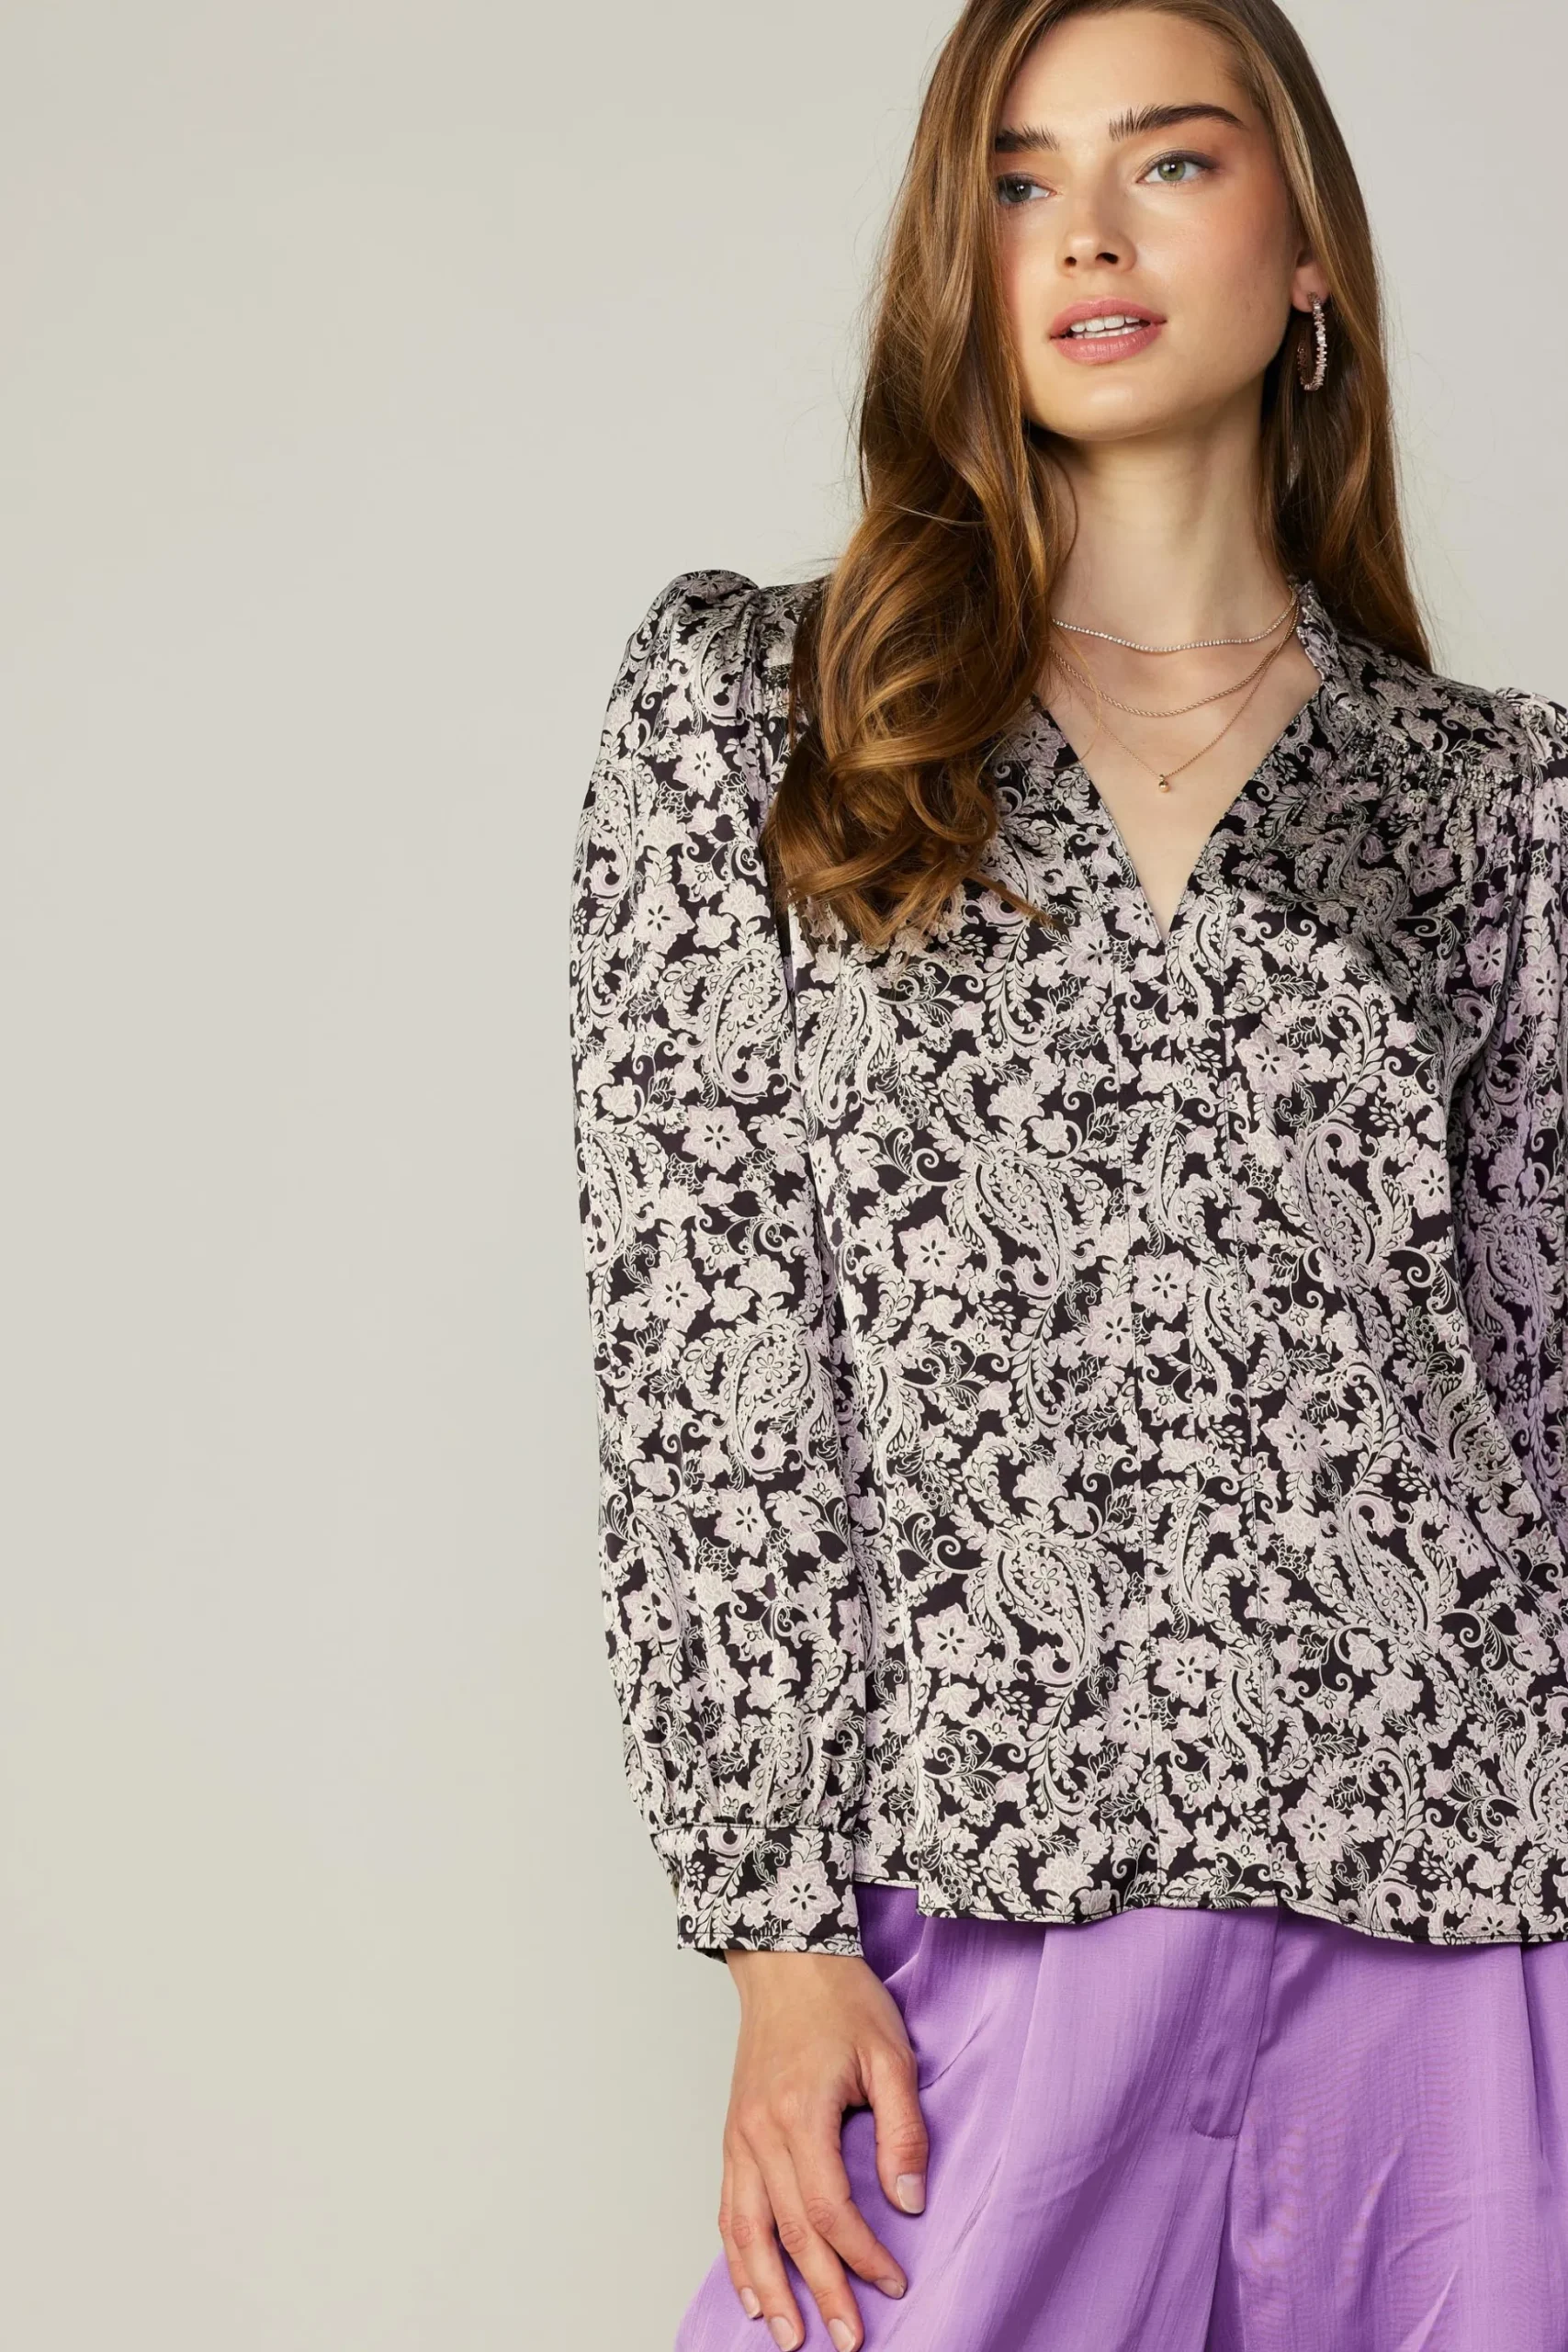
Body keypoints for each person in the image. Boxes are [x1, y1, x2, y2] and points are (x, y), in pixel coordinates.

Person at [566, 1, 1568, 2346]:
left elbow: (1538, 1373)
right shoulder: (763, 714)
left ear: (1303, 247)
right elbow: (702, 1348)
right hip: (984, 1900)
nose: (1086, 233)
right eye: (1017, 180)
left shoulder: (1495, 802)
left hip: (1460, 1900)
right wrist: (776, 1926)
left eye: (1168, 163)